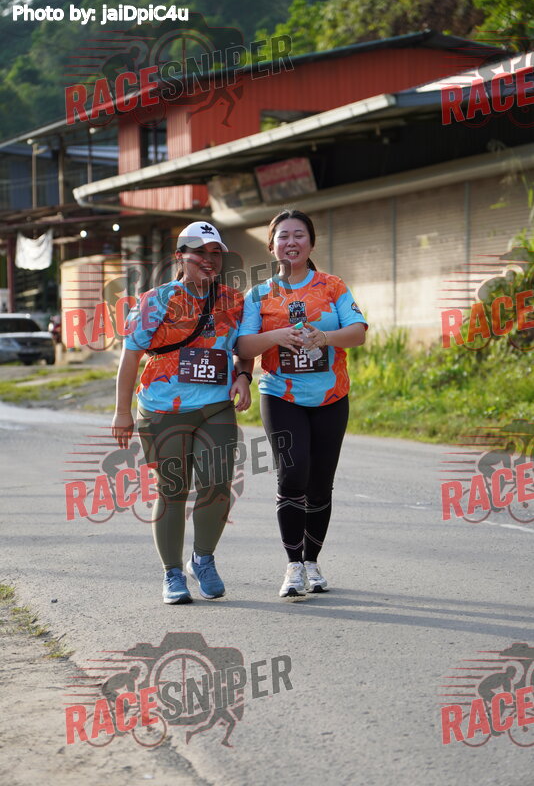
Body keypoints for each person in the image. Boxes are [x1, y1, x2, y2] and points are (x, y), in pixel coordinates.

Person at [111, 221, 253, 605]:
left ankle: (203, 559)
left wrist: (244, 375)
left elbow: (243, 347)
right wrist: (122, 412)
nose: (209, 259)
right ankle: (172, 572)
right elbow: (130, 358)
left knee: (217, 485)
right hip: (162, 409)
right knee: (172, 490)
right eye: (199, 252)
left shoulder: (234, 300)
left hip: (215, 406)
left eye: (215, 253)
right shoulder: (155, 300)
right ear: (180, 257)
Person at [237, 209, 367, 598]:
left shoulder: (332, 286)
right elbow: (243, 346)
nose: (291, 242)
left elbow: (358, 332)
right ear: (271, 245)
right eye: (283, 236)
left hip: (331, 397)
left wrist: (326, 338)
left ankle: (312, 562)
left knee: (321, 483)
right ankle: (293, 566)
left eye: (299, 235)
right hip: (281, 395)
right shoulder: (259, 294)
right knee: (292, 476)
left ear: (311, 243)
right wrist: (275, 336)